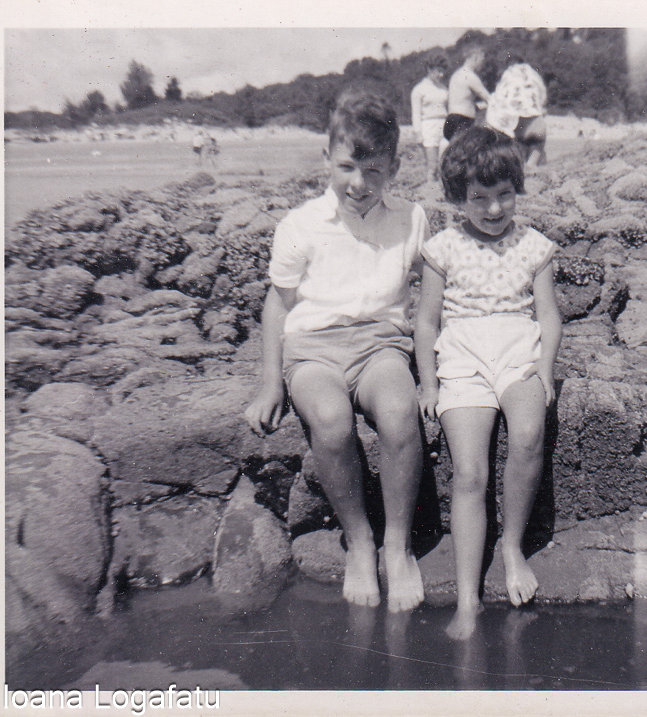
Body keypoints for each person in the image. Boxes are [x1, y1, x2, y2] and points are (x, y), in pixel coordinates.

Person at [244, 88, 428, 613]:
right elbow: (278, 307)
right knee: (330, 419)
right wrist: (270, 383)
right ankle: (360, 540)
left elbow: (436, 289)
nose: (358, 183)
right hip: (313, 349)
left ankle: (396, 543)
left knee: (398, 411)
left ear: (395, 166)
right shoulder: (301, 225)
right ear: (326, 158)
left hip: (380, 345)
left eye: (374, 170)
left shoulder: (411, 220)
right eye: (347, 166)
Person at [414, 126, 562, 640]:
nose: (495, 210)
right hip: (463, 357)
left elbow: (548, 316)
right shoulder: (442, 248)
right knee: (470, 472)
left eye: (504, 196)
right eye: (480, 199)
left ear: (517, 190)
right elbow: (427, 323)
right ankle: (467, 599)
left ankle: (512, 547)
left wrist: (544, 371)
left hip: (519, 350)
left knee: (526, 435)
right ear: (458, 198)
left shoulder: (535, 245)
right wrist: (429, 386)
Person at [485, 62, 548, 168]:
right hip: (539, 130)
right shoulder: (533, 80)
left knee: (517, 164)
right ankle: (532, 164)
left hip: (518, 132)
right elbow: (543, 99)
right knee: (534, 159)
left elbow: (498, 105)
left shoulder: (507, 82)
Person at [411, 55, 449, 183]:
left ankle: (442, 192)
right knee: (432, 166)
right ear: (429, 69)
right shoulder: (419, 89)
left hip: (444, 125)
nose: (441, 75)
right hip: (428, 127)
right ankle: (430, 193)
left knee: (444, 163)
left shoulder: (444, 88)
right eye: (438, 71)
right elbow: (416, 114)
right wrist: (418, 134)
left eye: (443, 71)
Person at [443, 46, 489, 143]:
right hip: (462, 121)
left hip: (450, 120)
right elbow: (489, 99)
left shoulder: (456, 75)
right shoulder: (471, 76)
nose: (482, 65)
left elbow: (462, 99)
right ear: (475, 58)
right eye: (481, 60)